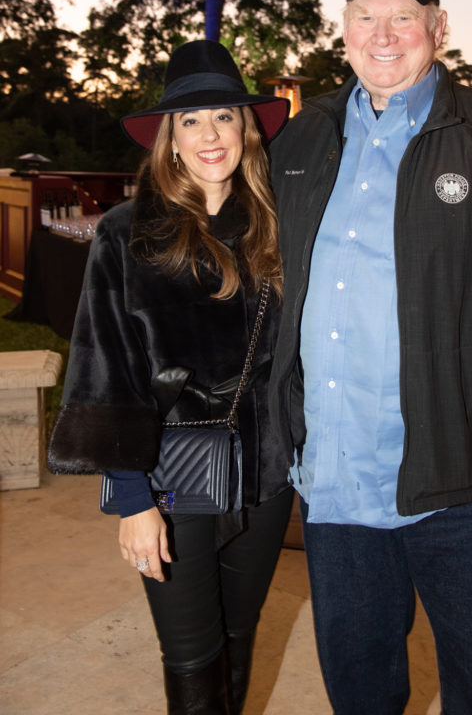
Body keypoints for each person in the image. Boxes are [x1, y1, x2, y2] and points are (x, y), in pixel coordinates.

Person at [268, 0, 472, 715]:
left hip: (460, 488)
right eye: (365, 14)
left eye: (402, 15)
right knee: (360, 692)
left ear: (437, 25)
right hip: (336, 488)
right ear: (342, 27)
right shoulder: (304, 140)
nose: (382, 33)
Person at [48, 39, 293, 715]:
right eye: (190, 120)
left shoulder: (279, 230)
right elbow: (103, 369)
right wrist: (131, 500)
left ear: (247, 130)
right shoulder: (127, 234)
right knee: (190, 656)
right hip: (171, 479)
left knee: (238, 641)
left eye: (223, 116)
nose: (209, 134)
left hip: (267, 478)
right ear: (169, 139)